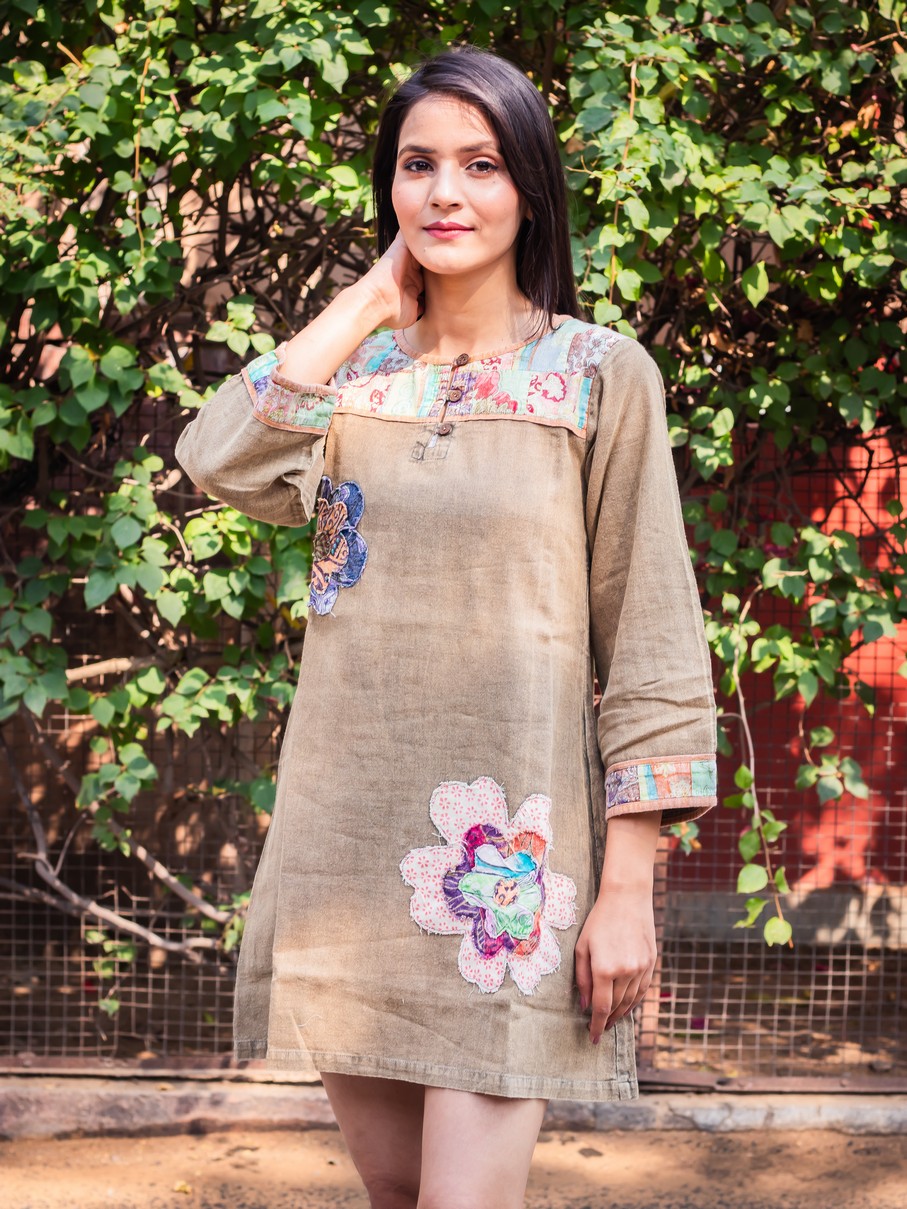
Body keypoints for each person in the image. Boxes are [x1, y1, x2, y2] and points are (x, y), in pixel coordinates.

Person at [174, 42, 718, 1209]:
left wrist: (627, 887)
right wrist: (368, 301)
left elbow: (653, 641)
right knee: (394, 1198)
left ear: (529, 187)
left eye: (480, 164)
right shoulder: (350, 376)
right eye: (417, 165)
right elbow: (217, 459)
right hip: (346, 854)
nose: (445, 193)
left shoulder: (596, 375)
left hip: (505, 880)